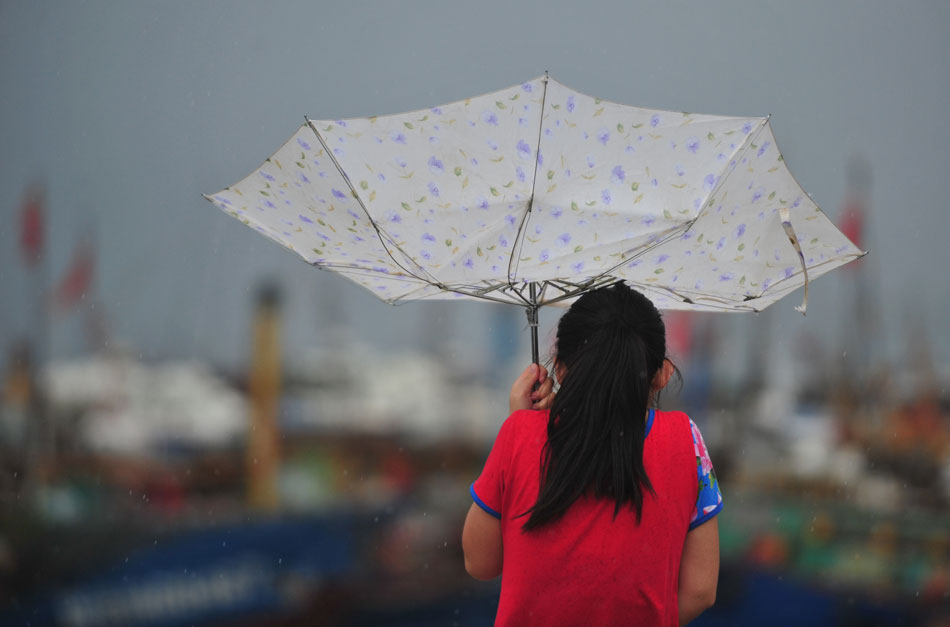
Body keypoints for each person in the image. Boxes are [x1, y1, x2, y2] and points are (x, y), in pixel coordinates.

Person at [462, 283, 722, 626]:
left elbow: (480, 562)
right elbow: (701, 590)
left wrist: (521, 426)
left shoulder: (520, 432)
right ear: (662, 374)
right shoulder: (687, 440)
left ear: (558, 368)